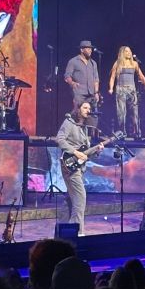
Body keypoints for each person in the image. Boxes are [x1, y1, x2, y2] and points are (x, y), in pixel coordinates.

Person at [56, 101, 105, 236]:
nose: (88, 110)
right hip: (69, 166)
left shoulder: (84, 127)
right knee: (80, 198)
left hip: (78, 167)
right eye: (85, 107)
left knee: (70, 201)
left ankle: (60, 233)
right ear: (78, 109)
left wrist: (97, 150)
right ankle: (78, 233)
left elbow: (85, 152)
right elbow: (59, 139)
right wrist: (75, 152)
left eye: (89, 108)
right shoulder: (69, 122)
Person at [107, 45, 145, 138]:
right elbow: (112, 77)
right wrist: (111, 88)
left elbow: (141, 76)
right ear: (122, 53)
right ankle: (122, 133)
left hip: (131, 90)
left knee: (135, 112)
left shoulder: (134, 64)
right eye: (126, 51)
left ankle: (137, 133)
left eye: (129, 51)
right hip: (121, 89)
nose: (128, 53)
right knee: (121, 113)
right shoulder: (118, 63)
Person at [64, 40, 100, 112]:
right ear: (82, 50)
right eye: (88, 48)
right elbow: (67, 76)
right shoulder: (73, 61)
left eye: (91, 49)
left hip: (91, 94)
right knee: (78, 113)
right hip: (79, 93)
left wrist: (96, 93)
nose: (90, 50)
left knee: (92, 115)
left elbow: (96, 79)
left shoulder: (93, 63)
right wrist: (72, 83)